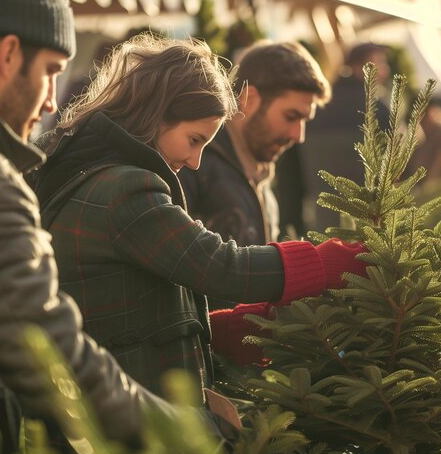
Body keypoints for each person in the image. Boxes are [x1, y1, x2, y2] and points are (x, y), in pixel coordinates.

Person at [0, 0, 180, 449]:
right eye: (51, 69)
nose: (51, 98)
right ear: (8, 54)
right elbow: (49, 356)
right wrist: (188, 432)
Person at [30, 35, 367, 405]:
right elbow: (220, 265)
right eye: (193, 140)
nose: (195, 162)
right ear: (154, 115)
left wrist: (228, 330)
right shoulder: (125, 189)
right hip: (137, 414)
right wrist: (328, 262)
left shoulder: (107, 177)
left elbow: (149, 300)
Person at [179, 41, 331, 250]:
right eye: (291, 116)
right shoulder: (191, 165)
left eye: (305, 121)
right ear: (250, 99)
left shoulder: (260, 173)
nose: (298, 135)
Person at [298, 42, 392, 234]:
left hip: (322, 218)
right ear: (358, 66)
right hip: (366, 221)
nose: (385, 69)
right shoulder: (376, 108)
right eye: (378, 62)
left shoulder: (323, 103)